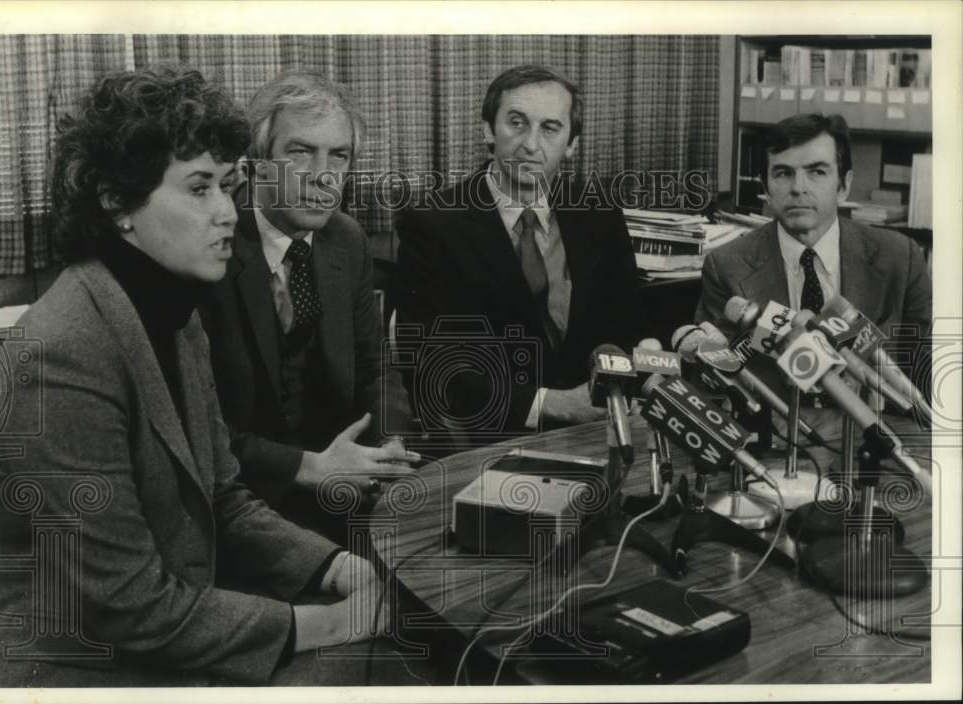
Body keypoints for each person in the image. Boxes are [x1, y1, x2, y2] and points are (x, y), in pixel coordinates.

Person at [0, 67, 422, 687]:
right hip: (72, 660)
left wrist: (334, 568)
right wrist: (323, 623)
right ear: (117, 202)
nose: (226, 211)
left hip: (179, 608)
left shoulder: (175, 313)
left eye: (227, 185)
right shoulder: (60, 353)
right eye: (199, 189)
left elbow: (224, 499)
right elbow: (129, 605)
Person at [201, 70, 417, 524]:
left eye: (339, 156)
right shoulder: (210, 244)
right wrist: (307, 467)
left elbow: (375, 367)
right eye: (300, 153)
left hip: (345, 485)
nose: (323, 178)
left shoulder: (346, 239)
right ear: (258, 161)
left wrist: (389, 445)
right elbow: (201, 427)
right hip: (240, 498)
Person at [396, 64, 651, 445]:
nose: (531, 144)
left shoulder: (599, 214)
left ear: (571, 144)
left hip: (600, 428)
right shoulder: (433, 223)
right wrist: (552, 404)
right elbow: (433, 362)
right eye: (517, 123)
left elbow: (629, 324)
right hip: (494, 435)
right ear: (488, 130)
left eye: (550, 128)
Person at [696, 112, 931, 336]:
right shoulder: (726, 268)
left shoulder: (901, 259)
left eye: (817, 172)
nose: (798, 188)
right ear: (766, 189)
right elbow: (714, 359)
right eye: (783, 173)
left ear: (844, 186)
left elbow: (927, 361)